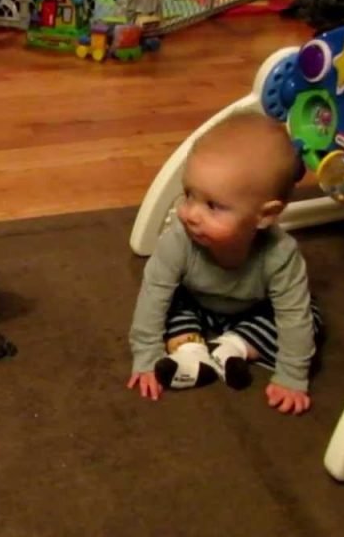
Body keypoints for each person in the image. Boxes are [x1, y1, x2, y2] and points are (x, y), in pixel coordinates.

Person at [126, 111, 323, 415]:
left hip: (253, 313)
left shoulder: (281, 255)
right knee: (168, 306)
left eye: (213, 205)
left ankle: (233, 346)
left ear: (266, 215)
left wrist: (292, 376)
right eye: (189, 194)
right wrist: (147, 354)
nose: (190, 213)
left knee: (310, 320)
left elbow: (293, 315)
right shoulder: (179, 240)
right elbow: (154, 295)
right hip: (195, 307)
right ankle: (192, 351)